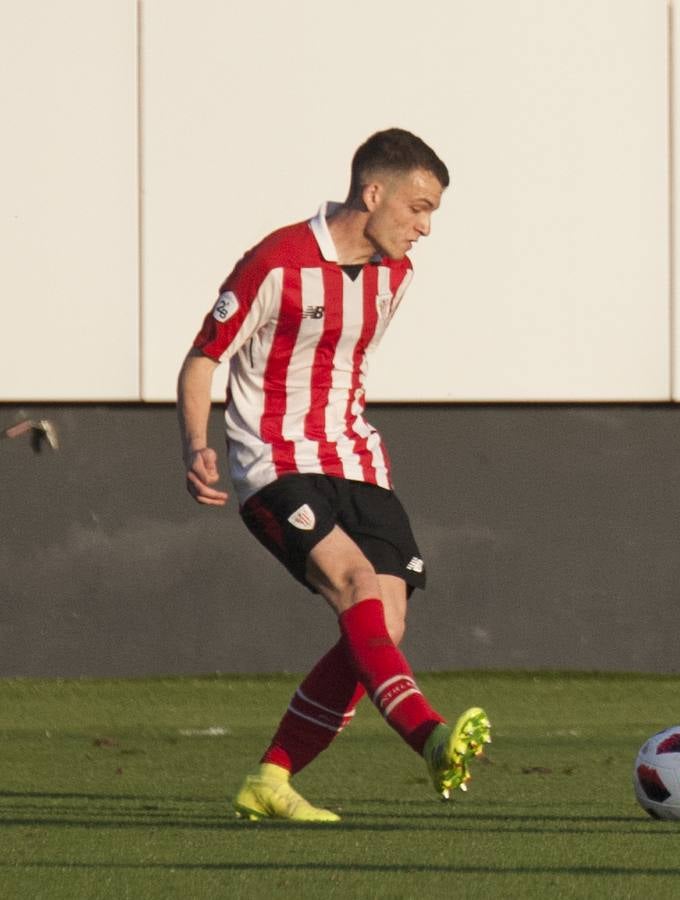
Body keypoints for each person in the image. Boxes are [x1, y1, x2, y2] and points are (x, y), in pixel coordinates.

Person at [176, 128, 490, 822]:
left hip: (357, 461)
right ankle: (430, 736)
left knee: (385, 620)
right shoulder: (276, 261)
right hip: (275, 464)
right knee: (354, 587)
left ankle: (272, 776)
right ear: (372, 193)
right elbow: (205, 358)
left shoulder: (396, 275)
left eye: (434, 212)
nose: (425, 227)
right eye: (418, 207)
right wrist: (197, 444)